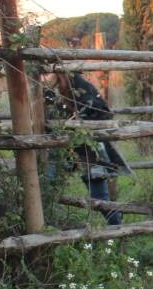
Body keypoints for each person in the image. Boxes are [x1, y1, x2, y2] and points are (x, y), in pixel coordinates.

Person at [46, 72, 126, 225]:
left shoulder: (82, 89)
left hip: (87, 149)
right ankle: (49, 225)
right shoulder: (55, 92)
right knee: (49, 183)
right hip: (67, 147)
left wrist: (79, 122)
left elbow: (100, 113)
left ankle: (117, 226)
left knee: (99, 196)